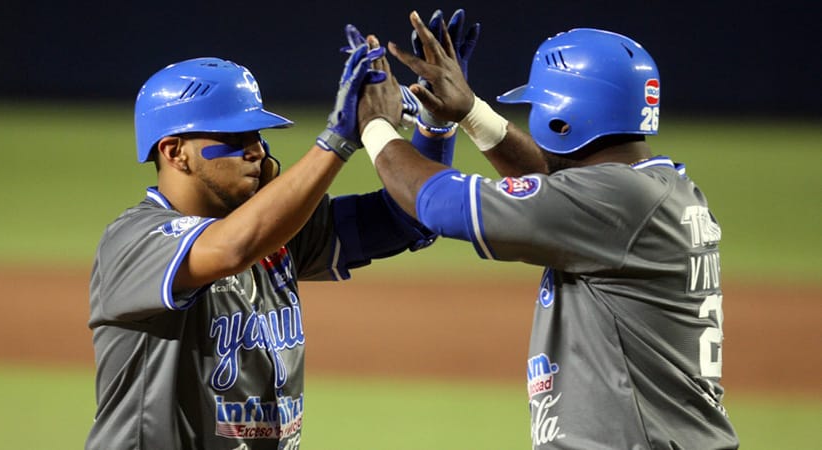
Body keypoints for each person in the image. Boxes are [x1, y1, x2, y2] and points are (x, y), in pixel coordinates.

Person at [355, 10, 739, 449]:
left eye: (539, 105)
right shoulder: (654, 188)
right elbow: (558, 189)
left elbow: (443, 204)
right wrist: (471, 114)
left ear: (564, 118)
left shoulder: (613, 199)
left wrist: (373, 123)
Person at [84, 30, 466, 449]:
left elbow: (409, 217)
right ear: (175, 153)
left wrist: (436, 125)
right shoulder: (136, 239)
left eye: (257, 136)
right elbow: (230, 248)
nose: (256, 152)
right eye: (234, 140)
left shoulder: (273, 232)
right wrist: (337, 141)